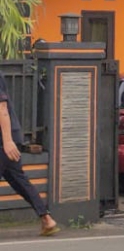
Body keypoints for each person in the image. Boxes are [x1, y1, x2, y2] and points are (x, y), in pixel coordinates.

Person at [0, 69, 59, 237]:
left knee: (20, 181)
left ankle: (47, 219)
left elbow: (2, 108)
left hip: (4, 140)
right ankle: (47, 219)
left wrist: (7, 141)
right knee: (19, 181)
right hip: (7, 139)